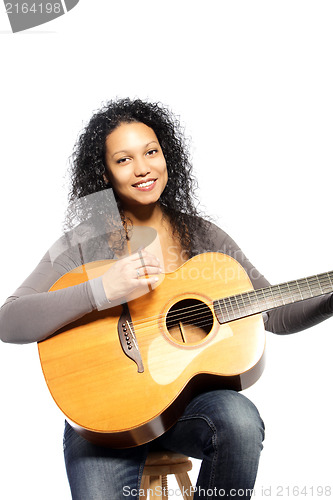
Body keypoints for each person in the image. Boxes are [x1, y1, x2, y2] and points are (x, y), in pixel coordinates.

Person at [1, 98, 332, 500]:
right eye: (124, 159)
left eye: (151, 152)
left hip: (184, 415)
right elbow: (10, 320)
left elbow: (273, 313)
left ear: (166, 156)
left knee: (240, 421)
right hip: (104, 421)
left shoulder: (205, 238)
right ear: (104, 172)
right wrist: (103, 291)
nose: (143, 168)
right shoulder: (81, 244)